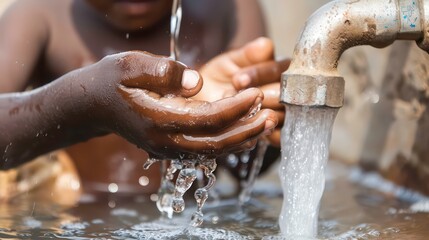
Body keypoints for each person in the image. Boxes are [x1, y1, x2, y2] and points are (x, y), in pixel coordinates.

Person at [0, 0, 288, 197]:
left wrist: (259, 123)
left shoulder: (229, 9)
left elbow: (249, 169)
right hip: (76, 215)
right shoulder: (39, 14)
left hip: (198, 222)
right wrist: (87, 104)